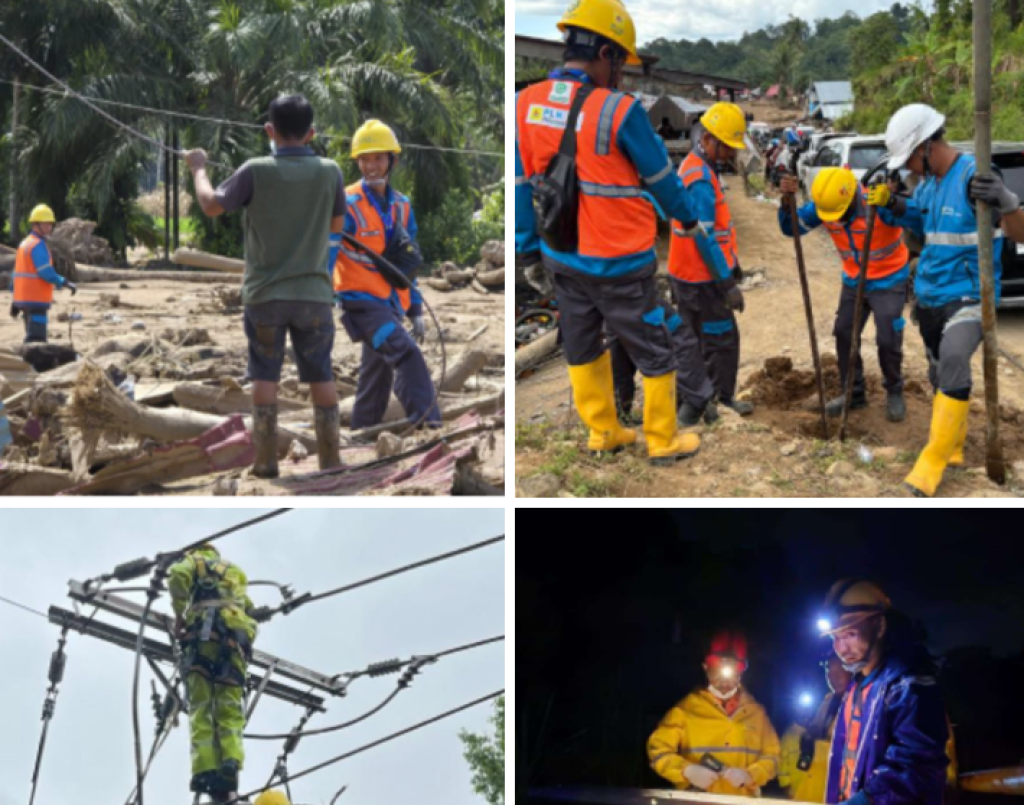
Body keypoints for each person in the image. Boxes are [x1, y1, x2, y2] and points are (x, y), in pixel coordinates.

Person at [515, 0, 719, 465]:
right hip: (619, 260)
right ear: (604, 53)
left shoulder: (525, 104)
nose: (621, 77)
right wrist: (687, 220)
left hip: (561, 256)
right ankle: (662, 440)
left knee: (583, 344)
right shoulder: (619, 110)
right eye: (620, 65)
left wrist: (528, 253)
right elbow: (662, 179)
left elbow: (520, 185)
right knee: (653, 345)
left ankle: (603, 432)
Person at [867, 103, 1024, 495]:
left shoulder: (975, 176)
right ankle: (953, 447)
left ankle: (933, 460)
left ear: (926, 146)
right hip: (930, 296)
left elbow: (1020, 235)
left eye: (909, 159)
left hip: (969, 295)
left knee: (954, 358)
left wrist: (1009, 202)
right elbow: (919, 217)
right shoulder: (929, 185)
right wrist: (891, 203)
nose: (909, 169)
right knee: (940, 373)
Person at [185, 94, 344, 478]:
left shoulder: (255, 170)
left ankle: (266, 462)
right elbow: (336, 227)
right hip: (314, 296)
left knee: (264, 375)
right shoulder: (331, 171)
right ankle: (331, 461)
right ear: (311, 133)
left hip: (264, 297)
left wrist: (198, 169)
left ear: (269, 131)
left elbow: (210, 205)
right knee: (321, 374)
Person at [333, 119, 440, 429]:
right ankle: (428, 425)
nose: (371, 166)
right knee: (407, 354)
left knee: (377, 375)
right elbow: (325, 249)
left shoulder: (402, 206)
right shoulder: (346, 204)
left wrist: (415, 308)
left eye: (378, 158)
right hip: (362, 305)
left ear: (392, 160)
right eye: (364, 159)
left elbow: (408, 263)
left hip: (391, 304)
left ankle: (362, 432)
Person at [778, 168, 910, 421]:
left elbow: (917, 219)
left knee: (887, 339)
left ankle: (894, 390)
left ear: (851, 198)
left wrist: (896, 201)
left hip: (889, 279)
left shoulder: (876, 202)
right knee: (844, 332)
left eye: (841, 214)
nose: (836, 220)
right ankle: (853, 393)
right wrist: (787, 202)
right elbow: (790, 228)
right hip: (854, 280)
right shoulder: (827, 205)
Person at [817, 579, 950, 805]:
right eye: (835, 638)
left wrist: (867, 800)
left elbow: (918, 765)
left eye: (850, 634)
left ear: (879, 627)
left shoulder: (910, 687)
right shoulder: (855, 688)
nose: (841, 648)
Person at [667, 103, 753, 422]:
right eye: (727, 147)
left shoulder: (694, 167)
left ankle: (691, 400)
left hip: (686, 275)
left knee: (692, 342)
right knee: (721, 340)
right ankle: (718, 400)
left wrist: (732, 263)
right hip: (702, 279)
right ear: (708, 139)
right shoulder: (701, 179)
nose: (731, 154)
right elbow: (705, 237)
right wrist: (727, 283)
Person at [169, 545, 258, 804]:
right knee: (229, 709)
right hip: (234, 644)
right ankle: (230, 762)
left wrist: (179, 614)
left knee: (201, 708)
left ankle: (204, 770)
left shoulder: (194, 562)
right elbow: (249, 609)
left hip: (201, 641)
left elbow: (177, 575)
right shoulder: (235, 572)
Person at [648, 631, 781, 795]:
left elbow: (773, 756)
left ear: (741, 672)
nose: (724, 678)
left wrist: (751, 775)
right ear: (705, 667)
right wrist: (686, 770)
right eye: (716, 669)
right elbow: (658, 750)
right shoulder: (685, 710)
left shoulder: (757, 713)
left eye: (733, 669)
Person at [779, 653, 853, 802]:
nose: (833, 677)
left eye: (840, 670)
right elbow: (815, 731)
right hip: (814, 783)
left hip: (840, 787)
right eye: (829, 671)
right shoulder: (828, 701)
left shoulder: (858, 703)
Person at [10, 204, 77, 343]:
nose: (49, 228)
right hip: (36, 299)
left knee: (31, 337)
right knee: (37, 340)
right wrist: (63, 282)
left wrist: (15, 301)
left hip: (25, 299)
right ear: (36, 224)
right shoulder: (37, 245)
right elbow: (45, 272)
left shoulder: (24, 244)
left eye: (50, 224)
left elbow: (15, 274)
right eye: (46, 224)